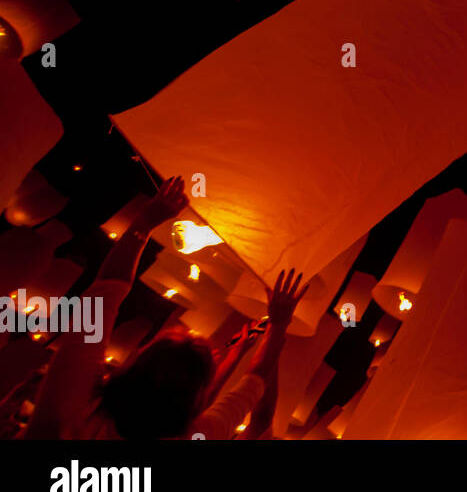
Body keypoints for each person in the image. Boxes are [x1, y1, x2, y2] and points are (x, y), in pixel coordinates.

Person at [22, 177, 309, 439]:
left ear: (136, 363)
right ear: (197, 395)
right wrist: (279, 323)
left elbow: (106, 290)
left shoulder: (73, 403)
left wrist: (145, 223)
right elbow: (252, 387)